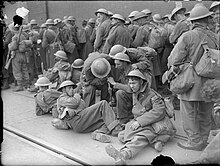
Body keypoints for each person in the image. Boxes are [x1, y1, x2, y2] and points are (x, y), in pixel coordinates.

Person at [167, 4, 219, 151]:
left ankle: (193, 141)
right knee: (205, 111)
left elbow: (174, 59)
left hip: (191, 80)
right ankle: (203, 140)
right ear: (206, 19)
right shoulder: (215, 36)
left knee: (188, 112)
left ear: (193, 21)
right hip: (210, 80)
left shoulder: (188, 36)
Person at [105, 69, 176, 165]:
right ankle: (156, 141)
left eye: (134, 83)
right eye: (130, 83)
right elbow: (126, 88)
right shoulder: (135, 89)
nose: (131, 86)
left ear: (141, 82)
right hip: (143, 122)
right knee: (122, 136)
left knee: (139, 137)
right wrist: (114, 84)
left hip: (154, 124)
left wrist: (139, 122)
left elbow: (159, 111)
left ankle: (124, 154)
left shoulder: (152, 95)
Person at [51, 80, 123, 143]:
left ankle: (98, 133)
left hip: (81, 123)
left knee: (105, 121)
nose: (72, 90)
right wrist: (77, 95)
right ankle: (116, 129)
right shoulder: (62, 98)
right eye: (69, 88)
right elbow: (74, 103)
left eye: (72, 88)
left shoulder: (73, 97)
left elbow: (83, 107)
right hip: (77, 120)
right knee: (103, 103)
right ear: (64, 90)